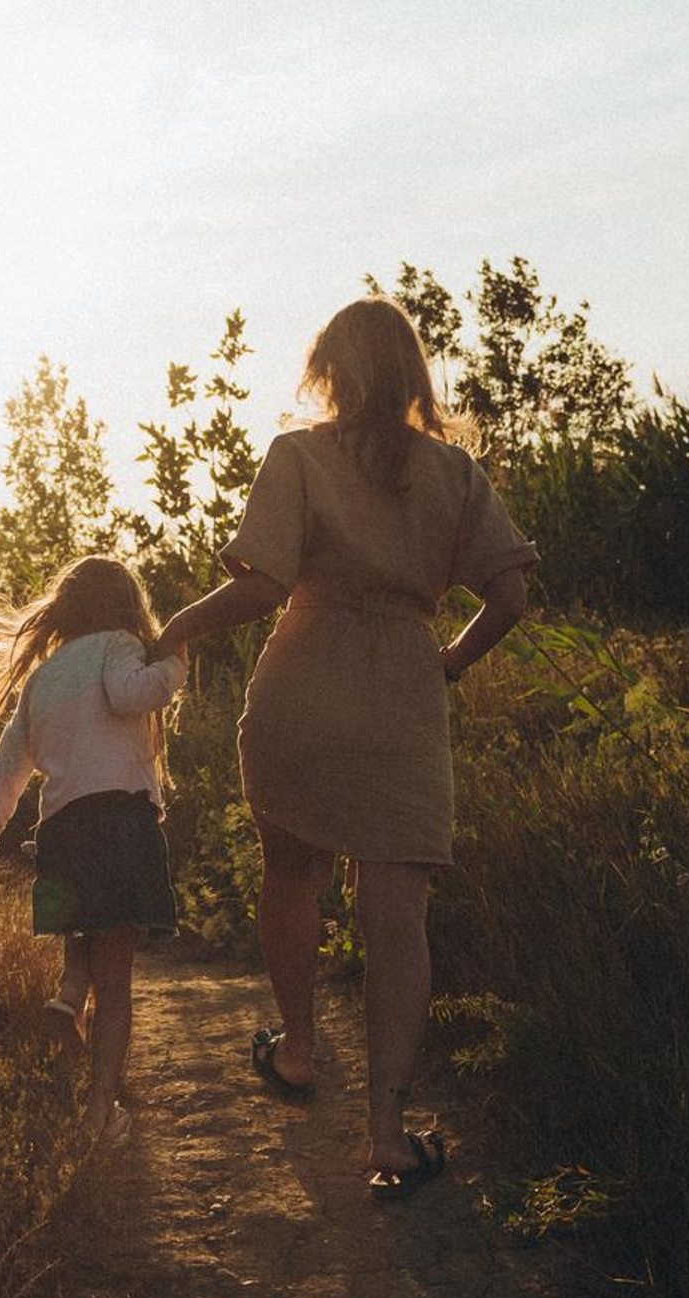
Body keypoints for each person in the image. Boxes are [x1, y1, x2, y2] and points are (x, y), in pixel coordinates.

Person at [154, 296, 533, 1198]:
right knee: (397, 918)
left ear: (330, 368)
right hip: (403, 689)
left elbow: (263, 586)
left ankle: (295, 1049)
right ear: (413, 374)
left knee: (292, 872)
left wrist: (177, 627)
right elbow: (512, 596)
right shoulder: (456, 476)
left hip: (306, 677)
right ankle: (389, 1132)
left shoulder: (299, 455)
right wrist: (447, 660)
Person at [0, 556, 184, 1149]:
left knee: (81, 928)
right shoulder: (120, 646)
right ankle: (99, 1114)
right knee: (118, 981)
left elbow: (4, 779)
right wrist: (174, 658)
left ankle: (66, 996)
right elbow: (131, 694)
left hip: (59, 835)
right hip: (119, 823)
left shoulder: (43, 677)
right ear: (126, 606)